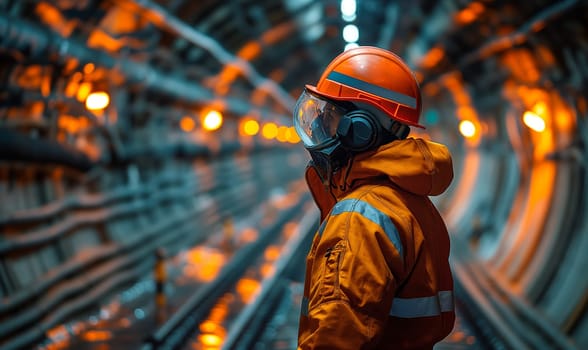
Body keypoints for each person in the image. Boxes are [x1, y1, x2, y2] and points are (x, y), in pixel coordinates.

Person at [293, 46, 455, 349]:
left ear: (359, 129)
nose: (317, 126)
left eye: (328, 116)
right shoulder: (409, 202)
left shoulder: (359, 218)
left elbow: (335, 338)